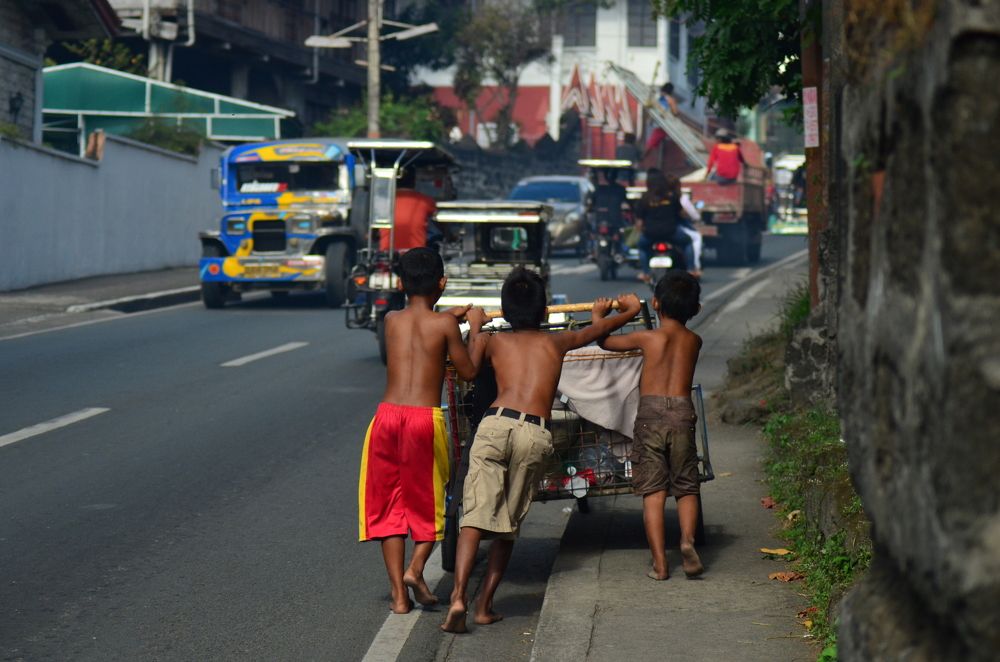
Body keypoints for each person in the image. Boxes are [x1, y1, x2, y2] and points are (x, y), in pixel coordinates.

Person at [441, 270, 642, 633]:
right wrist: (629, 310)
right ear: (545, 313)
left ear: (504, 309)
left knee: (474, 515)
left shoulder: (492, 341)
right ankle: (485, 606)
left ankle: (458, 597)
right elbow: (596, 333)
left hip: (495, 423)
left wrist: (474, 326)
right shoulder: (557, 342)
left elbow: (467, 371)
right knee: (507, 524)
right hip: (534, 431)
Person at [358, 247, 488, 614]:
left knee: (388, 508)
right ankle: (416, 569)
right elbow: (469, 371)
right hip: (422, 421)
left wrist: (449, 316)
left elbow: (420, 326)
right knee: (429, 504)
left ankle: (399, 597)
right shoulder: (446, 325)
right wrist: (474, 330)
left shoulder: (391, 320)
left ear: (400, 283)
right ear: (442, 283)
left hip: (385, 419)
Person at [598, 271, 704, 580]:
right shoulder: (694, 340)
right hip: (682, 414)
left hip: (651, 415)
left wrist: (604, 314)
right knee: (686, 486)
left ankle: (660, 564)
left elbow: (604, 340)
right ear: (696, 310)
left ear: (655, 303)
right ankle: (686, 541)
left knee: (654, 491)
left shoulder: (648, 338)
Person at [634, 169, 696, 281]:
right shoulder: (671, 196)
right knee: (688, 242)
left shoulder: (645, 198)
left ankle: (645, 273)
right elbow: (681, 213)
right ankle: (691, 270)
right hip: (671, 232)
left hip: (650, 233)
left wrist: (639, 231)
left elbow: (639, 221)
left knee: (642, 246)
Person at [379, 167, 438, 252]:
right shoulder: (425, 200)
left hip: (387, 253)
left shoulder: (384, 201)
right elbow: (437, 219)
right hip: (416, 253)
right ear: (414, 181)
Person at [678, 186, 704, 276]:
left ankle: (645, 271)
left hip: (651, 231)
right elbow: (693, 215)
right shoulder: (679, 198)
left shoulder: (652, 197)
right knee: (694, 239)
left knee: (642, 245)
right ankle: (693, 267)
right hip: (673, 229)